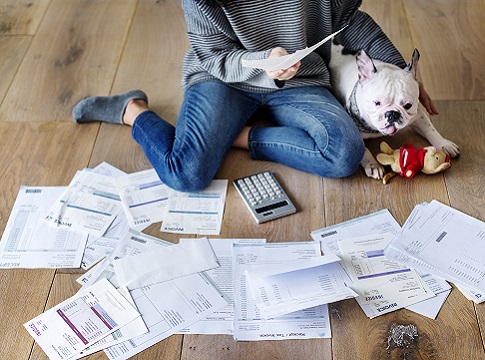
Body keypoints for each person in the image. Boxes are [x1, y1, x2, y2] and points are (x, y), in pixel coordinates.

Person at [73, 0, 437, 192]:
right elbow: (213, 56)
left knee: (345, 154)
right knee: (184, 175)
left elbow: (351, 21)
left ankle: (238, 136)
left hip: (300, 78)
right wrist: (262, 62)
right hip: (223, 79)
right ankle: (133, 110)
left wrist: (401, 77)